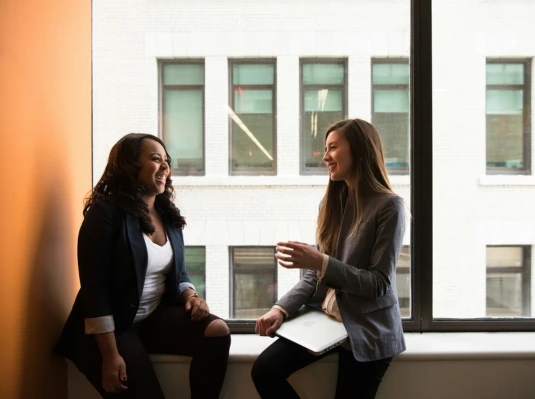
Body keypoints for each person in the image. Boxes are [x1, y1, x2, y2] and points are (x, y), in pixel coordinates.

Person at [54, 133, 231, 399]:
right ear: (129, 165)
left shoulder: (167, 214)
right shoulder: (105, 213)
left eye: (167, 161)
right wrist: (110, 356)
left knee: (217, 331)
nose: (165, 167)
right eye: (155, 159)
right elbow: (95, 289)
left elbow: (178, 271)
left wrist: (191, 296)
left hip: (149, 318)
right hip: (111, 330)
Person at [251, 118, 406, 399]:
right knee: (264, 370)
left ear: (359, 150)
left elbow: (379, 284)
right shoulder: (331, 202)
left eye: (333, 147)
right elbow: (315, 275)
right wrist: (280, 309)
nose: (325, 157)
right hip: (327, 320)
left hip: (367, 328)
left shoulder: (389, 206)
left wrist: (320, 262)